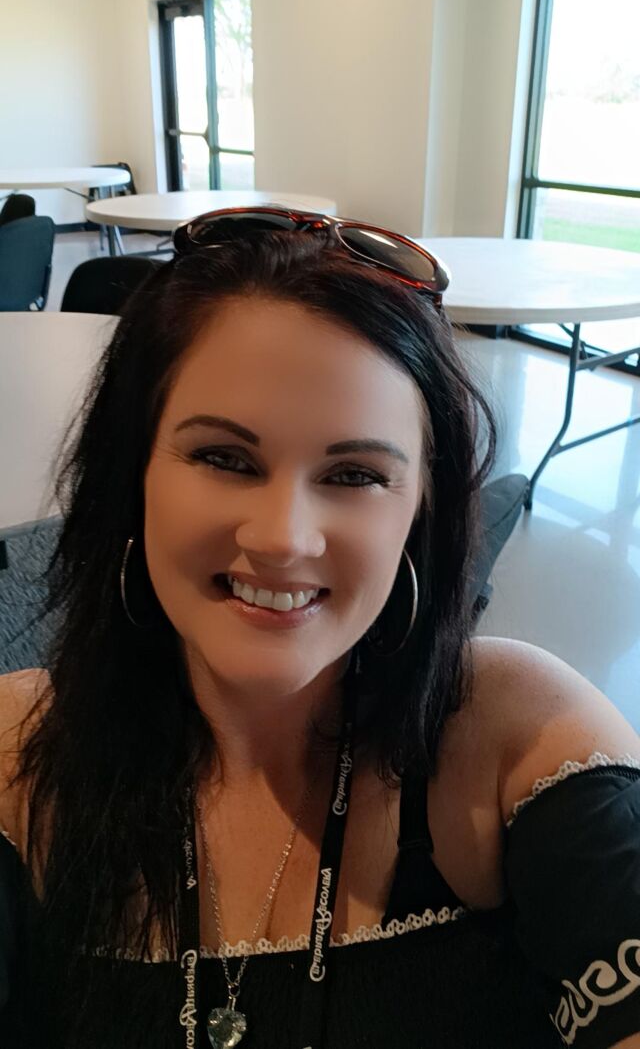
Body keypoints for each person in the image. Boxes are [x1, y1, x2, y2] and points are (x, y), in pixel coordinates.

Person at [1, 208, 639, 1049]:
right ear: (135, 472)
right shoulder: (19, 757)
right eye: (225, 458)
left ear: (421, 508)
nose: (282, 538)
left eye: (355, 474)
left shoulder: (515, 734)